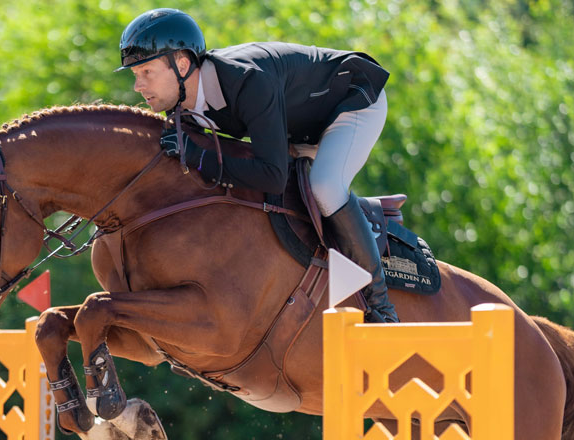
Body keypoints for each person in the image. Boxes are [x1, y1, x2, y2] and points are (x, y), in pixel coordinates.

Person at [117, 8, 398, 323]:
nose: (137, 87)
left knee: (325, 186)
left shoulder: (248, 80)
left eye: (146, 73)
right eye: (135, 75)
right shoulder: (182, 101)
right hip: (299, 121)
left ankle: (381, 308)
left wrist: (199, 157)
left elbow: (272, 176)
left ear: (182, 64)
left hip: (350, 101)